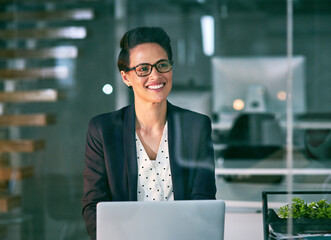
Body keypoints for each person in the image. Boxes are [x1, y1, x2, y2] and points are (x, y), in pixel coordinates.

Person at [81, 26, 216, 240]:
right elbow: (94, 205)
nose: (155, 75)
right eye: (143, 68)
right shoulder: (103, 130)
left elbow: (204, 201)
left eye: (162, 65)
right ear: (126, 77)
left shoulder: (196, 127)